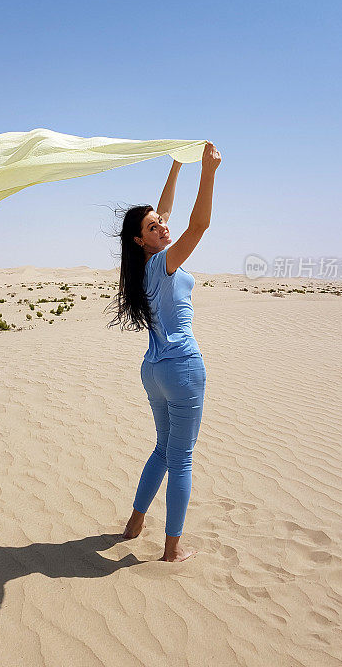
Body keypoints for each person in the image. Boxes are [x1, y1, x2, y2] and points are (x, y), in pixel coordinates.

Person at [106, 141, 222, 562]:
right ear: (142, 240)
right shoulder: (164, 262)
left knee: (162, 448)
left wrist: (176, 166)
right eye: (154, 228)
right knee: (182, 458)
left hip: (153, 370)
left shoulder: (137, 266)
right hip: (182, 367)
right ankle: (173, 550)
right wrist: (207, 173)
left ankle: (135, 523)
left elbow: (166, 214)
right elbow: (199, 225)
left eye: (159, 224)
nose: (162, 227)